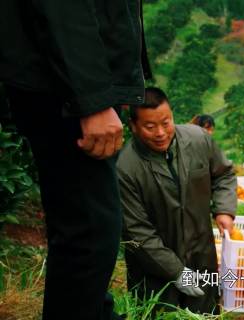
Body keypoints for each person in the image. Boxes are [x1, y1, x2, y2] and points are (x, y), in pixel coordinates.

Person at [0, 1, 150, 319]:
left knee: (85, 225)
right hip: (61, 86)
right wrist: (92, 99)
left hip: (61, 80)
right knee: (90, 233)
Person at [117, 87, 236, 313]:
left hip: (201, 255)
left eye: (166, 122)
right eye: (150, 127)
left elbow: (223, 174)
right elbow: (136, 231)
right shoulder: (126, 168)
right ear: (133, 126)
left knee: (204, 312)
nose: (161, 132)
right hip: (154, 268)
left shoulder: (198, 139)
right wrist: (176, 271)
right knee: (162, 312)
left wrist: (224, 209)